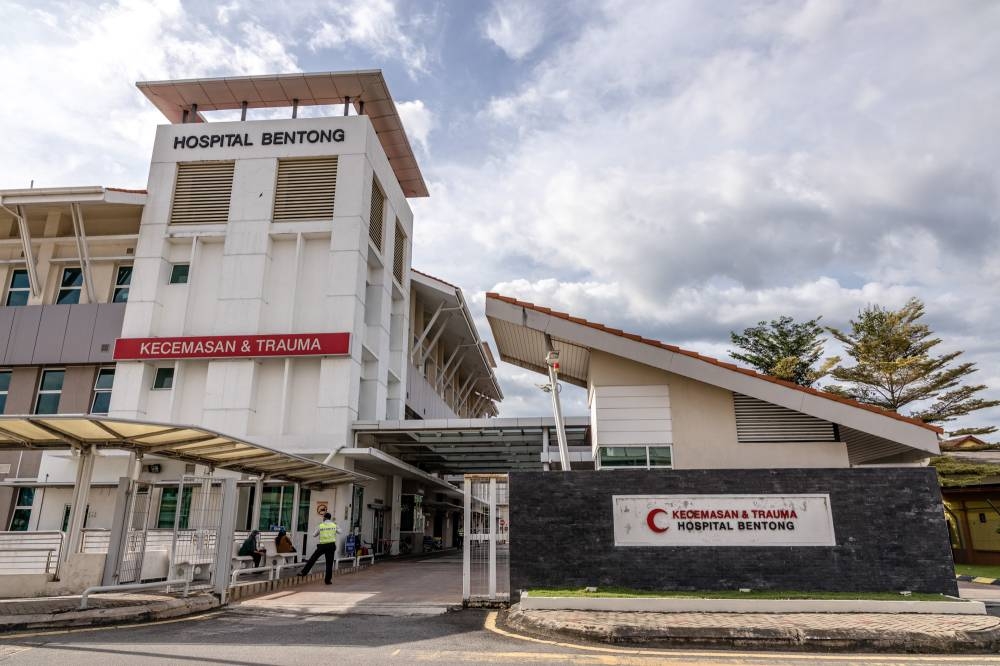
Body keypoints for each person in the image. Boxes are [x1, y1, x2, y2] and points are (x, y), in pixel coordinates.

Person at [300, 513, 338, 584]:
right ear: (329, 518)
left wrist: (318, 529)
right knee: (329, 563)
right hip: (331, 546)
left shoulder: (321, 525)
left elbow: (314, 535)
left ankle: (304, 572)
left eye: (323, 517)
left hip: (322, 546)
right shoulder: (334, 525)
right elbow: (340, 531)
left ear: (324, 518)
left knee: (313, 558)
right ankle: (328, 580)